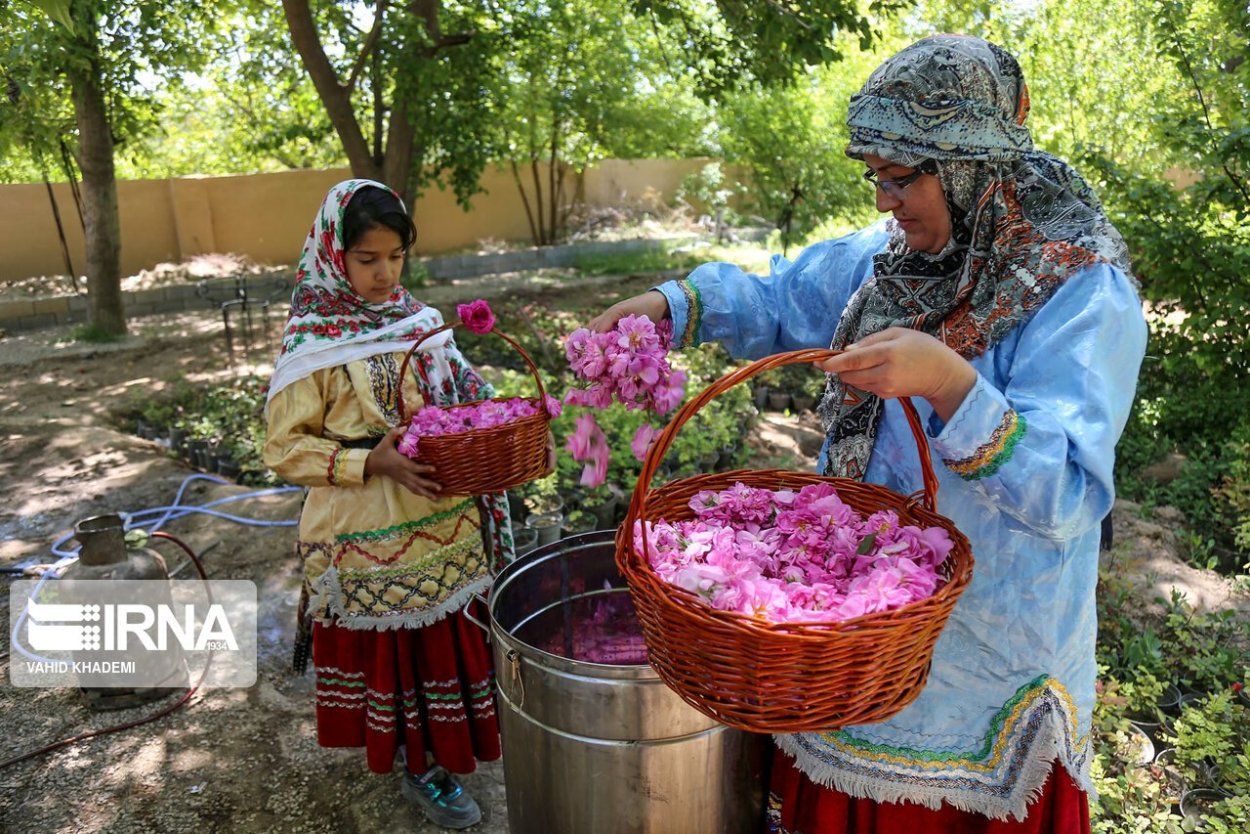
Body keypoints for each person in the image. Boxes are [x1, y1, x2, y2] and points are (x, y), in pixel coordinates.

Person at [590, 35, 1147, 833]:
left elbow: (1066, 495)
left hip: (986, 658)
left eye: (901, 176)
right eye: (873, 176)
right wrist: (670, 308)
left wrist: (952, 385)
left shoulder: (1080, 289)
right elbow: (782, 299)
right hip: (850, 645)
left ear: (970, 163)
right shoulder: (892, 265)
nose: (885, 201)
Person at [264, 179, 513, 830]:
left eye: (396, 257)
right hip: (369, 536)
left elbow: (464, 394)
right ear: (333, 256)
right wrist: (370, 460)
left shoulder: (418, 323)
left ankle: (449, 746)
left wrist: (495, 421)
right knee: (399, 655)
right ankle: (420, 763)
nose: (385, 274)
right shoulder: (313, 343)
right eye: (368, 259)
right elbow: (284, 449)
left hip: (444, 520)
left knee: (445, 642)